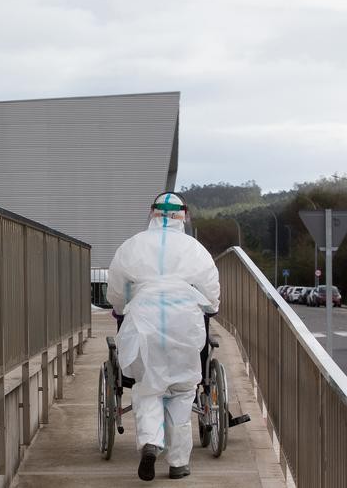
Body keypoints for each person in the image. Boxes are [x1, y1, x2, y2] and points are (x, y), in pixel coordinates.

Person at [107, 192, 220, 481]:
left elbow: (116, 291)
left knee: (148, 389)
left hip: (144, 322)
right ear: (185, 215)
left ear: (152, 213)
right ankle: (178, 462)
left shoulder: (132, 246)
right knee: (183, 392)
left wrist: (121, 309)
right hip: (185, 325)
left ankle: (150, 444)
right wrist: (210, 307)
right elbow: (211, 293)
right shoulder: (195, 250)